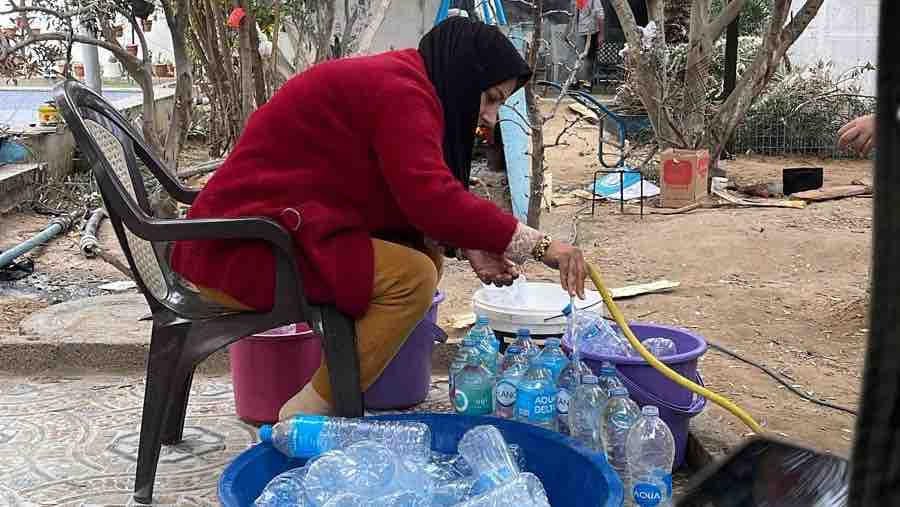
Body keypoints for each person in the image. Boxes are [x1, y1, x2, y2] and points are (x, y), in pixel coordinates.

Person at [170, 17, 588, 420]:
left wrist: (466, 242)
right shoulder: (402, 93)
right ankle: (311, 409)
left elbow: (401, 191)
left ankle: (345, 385)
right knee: (412, 278)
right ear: (463, 76)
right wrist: (539, 245)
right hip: (237, 252)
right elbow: (431, 198)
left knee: (423, 258)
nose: (490, 117)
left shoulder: (406, 82)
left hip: (260, 234)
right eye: (491, 97)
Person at [573, 0, 606, 90]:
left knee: (589, 57)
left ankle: (587, 83)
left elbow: (600, 15)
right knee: (578, 56)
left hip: (590, 31)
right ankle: (577, 81)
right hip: (580, 31)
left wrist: (601, 34)